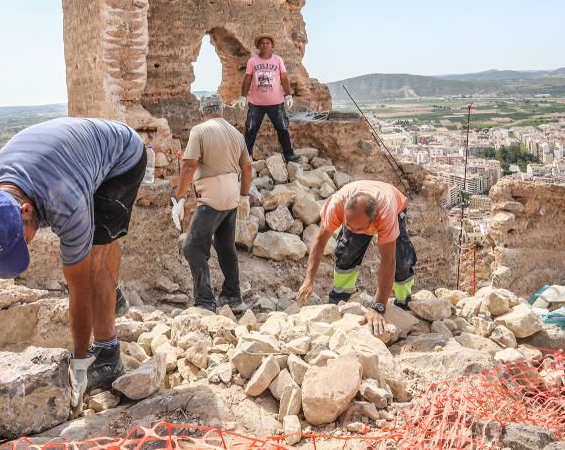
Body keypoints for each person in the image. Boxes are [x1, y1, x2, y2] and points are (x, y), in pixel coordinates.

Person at [0, 117, 146, 439]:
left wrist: (81, 361)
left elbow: (77, 288)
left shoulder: (66, 204)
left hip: (120, 155)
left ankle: (108, 353)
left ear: (25, 210)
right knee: (94, 259)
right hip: (66, 158)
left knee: (95, 262)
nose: (28, 247)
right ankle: (112, 297)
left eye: (19, 242)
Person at [295, 180, 417, 337]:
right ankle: (338, 300)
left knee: (402, 259)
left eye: (359, 228)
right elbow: (319, 242)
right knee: (346, 252)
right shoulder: (337, 206)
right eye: (348, 225)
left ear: (374, 220)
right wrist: (309, 279)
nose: (352, 230)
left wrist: (378, 308)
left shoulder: (385, 215)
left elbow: (388, 261)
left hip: (394, 203)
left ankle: (403, 301)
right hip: (359, 213)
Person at [171, 94, 253, 311]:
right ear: (221, 110)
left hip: (211, 196)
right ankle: (233, 296)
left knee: (193, 248)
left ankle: (205, 302)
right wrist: (244, 195)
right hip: (232, 195)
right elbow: (247, 167)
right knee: (226, 246)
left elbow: (189, 166)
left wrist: (180, 198)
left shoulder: (200, 130)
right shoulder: (236, 134)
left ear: (202, 112)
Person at [237, 34, 300, 162]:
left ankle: (289, 155)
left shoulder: (278, 60)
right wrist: (243, 96)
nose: (265, 45)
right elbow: (247, 79)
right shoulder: (252, 61)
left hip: (276, 103)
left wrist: (288, 95)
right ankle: (244, 157)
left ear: (272, 46)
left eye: (268, 43)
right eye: (262, 43)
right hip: (256, 104)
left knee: (282, 129)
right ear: (258, 46)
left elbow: (283, 77)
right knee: (250, 130)